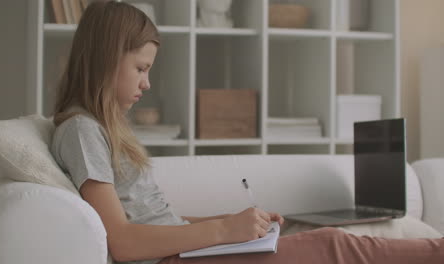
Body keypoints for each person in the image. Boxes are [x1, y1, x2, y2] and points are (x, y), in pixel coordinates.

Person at [50, 2, 444, 264]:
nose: (147, 83)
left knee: (328, 238)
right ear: (105, 59)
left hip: (181, 249)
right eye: (140, 68)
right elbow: (121, 240)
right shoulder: (81, 131)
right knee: (333, 245)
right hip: (171, 259)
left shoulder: (103, 128)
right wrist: (223, 230)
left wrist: (231, 220)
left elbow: (153, 219)